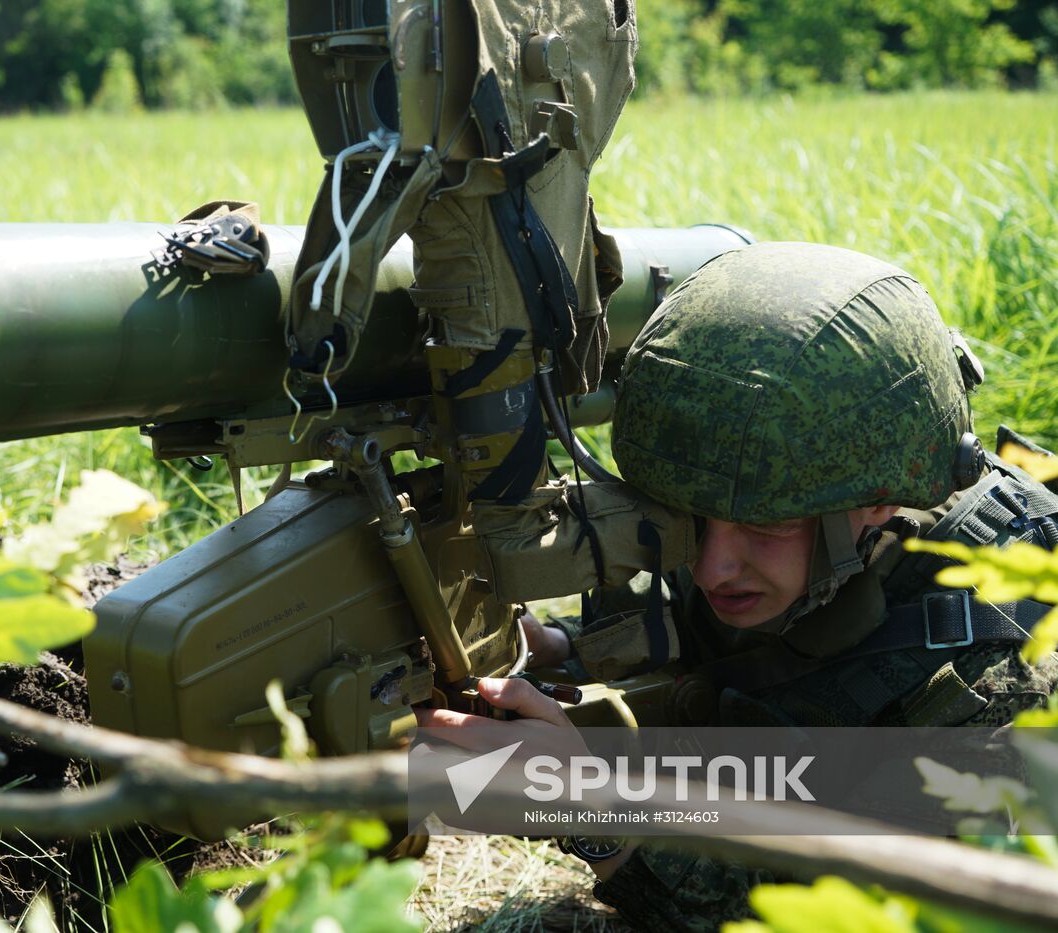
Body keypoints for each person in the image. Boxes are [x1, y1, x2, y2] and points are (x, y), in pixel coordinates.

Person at [419, 241, 1058, 931]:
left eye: (764, 526)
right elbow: (727, 654)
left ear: (879, 503)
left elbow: (825, 913)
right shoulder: (799, 505)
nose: (710, 566)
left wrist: (590, 808)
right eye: (691, 518)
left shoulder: (1002, 677)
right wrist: (560, 650)